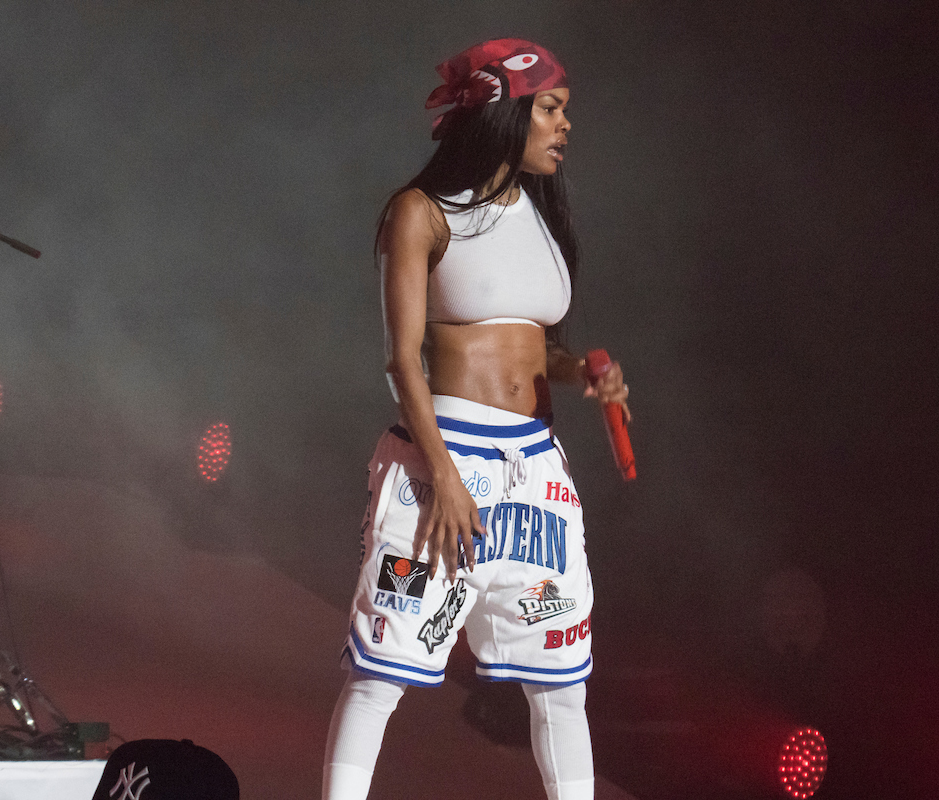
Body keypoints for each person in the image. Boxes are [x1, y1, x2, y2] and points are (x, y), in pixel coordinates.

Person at [322, 38, 629, 800]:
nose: (565, 128)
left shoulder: (540, 213)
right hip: (443, 458)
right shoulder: (419, 212)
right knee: (381, 673)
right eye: (551, 110)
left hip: (535, 466)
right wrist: (444, 475)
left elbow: (530, 345)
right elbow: (402, 359)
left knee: (560, 683)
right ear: (504, 110)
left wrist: (584, 370)